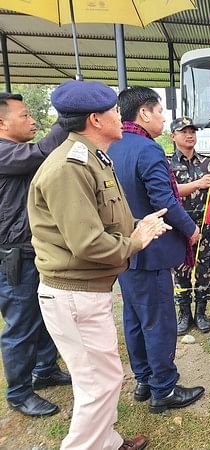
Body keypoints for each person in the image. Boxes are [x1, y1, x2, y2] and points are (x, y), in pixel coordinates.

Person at [28, 80, 170, 450]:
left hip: (87, 291)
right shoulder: (68, 167)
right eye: (112, 111)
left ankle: (106, 440)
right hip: (73, 294)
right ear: (95, 119)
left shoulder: (93, 157)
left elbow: (101, 221)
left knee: (103, 377)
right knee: (97, 382)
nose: (120, 117)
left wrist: (136, 226)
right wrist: (135, 241)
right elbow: (87, 242)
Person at [108, 87, 204, 414]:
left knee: (134, 317)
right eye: (160, 111)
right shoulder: (148, 150)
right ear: (144, 113)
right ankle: (164, 389)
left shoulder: (112, 147)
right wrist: (191, 229)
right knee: (158, 320)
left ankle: (144, 380)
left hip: (124, 250)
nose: (163, 117)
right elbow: (165, 201)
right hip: (150, 250)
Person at [0, 92, 71, 417]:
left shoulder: (12, 151)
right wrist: (67, 119)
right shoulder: (3, 153)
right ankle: (18, 392)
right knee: (21, 324)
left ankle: (45, 370)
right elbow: (42, 152)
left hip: (33, 249)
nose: (32, 121)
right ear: (2, 122)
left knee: (43, 313)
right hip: (14, 255)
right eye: (25, 115)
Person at [169, 117, 210, 335]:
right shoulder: (166, 163)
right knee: (181, 270)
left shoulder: (207, 162)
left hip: (204, 225)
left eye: (192, 131)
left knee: (204, 270)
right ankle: (184, 313)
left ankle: (201, 312)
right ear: (173, 136)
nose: (189, 135)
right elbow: (169, 192)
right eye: (183, 131)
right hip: (179, 226)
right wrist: (198, 183)